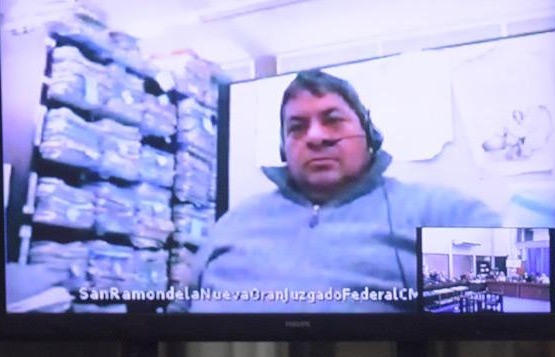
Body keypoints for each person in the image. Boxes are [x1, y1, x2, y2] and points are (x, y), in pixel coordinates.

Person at [191, 69, 500, 312]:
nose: (315, 137)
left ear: (369, 134)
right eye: (297, 127)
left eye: (333, 120)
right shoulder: (234, 222)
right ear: (284, 148)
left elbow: (504, 325)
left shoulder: (439, 212)